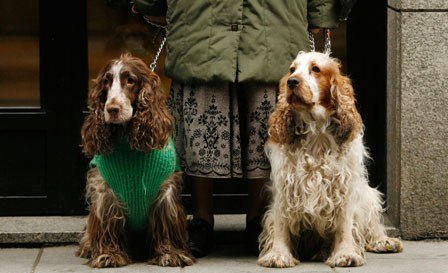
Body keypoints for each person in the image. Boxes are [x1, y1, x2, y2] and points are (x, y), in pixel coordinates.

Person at [130, 0, 353, 257]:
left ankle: (259, 220)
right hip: (200, 23)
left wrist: (321, 13)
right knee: (202, 119)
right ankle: (201, 219)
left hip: (275, 22)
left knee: (266, 127)